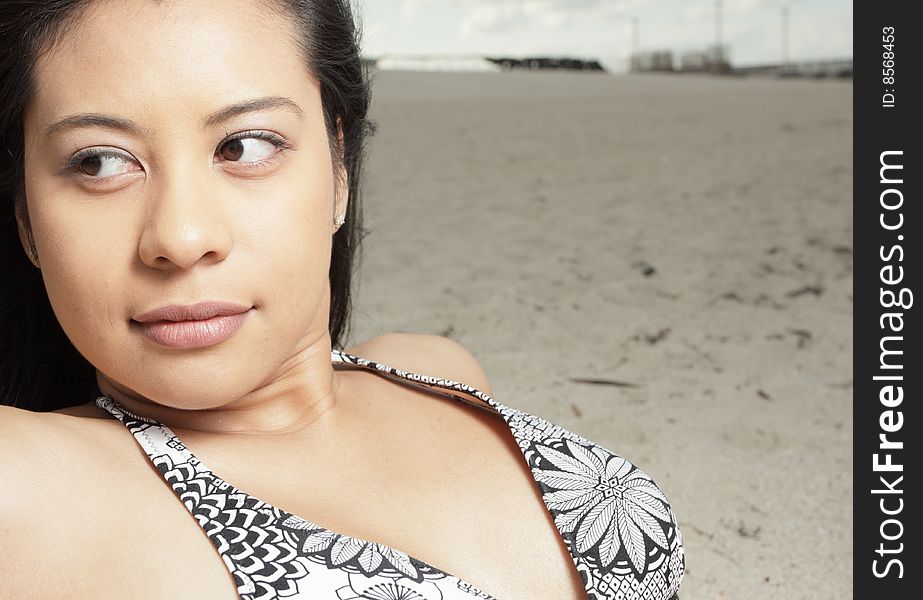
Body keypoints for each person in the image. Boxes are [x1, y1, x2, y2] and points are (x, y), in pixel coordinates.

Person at [0, 1, 685, 598]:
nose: (182, 238)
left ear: (337, 169)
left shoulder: (437, 371)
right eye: (98, 162)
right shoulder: (29, 483)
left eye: (243, 145)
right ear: (26, 217)